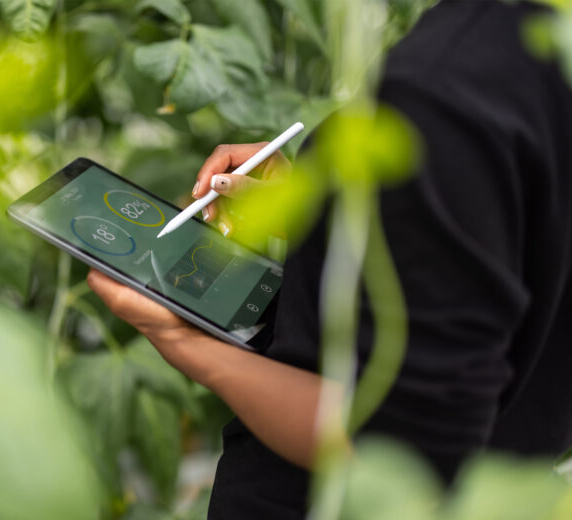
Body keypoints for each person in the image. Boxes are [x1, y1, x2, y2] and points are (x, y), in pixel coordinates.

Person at [88, 1, 572, 517]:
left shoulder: (439, 88)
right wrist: (331, 210)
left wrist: (184, 341)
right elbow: (502, 247)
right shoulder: (546, 46)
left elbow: (408, 451)